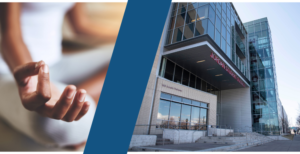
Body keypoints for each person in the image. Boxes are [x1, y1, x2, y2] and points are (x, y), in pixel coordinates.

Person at [0, 3, 118, 149]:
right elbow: (11, 35)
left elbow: (81, 25)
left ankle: (78, 99)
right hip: (10, 69)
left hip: (57, 63)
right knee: (53, 124)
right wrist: (34, 80)